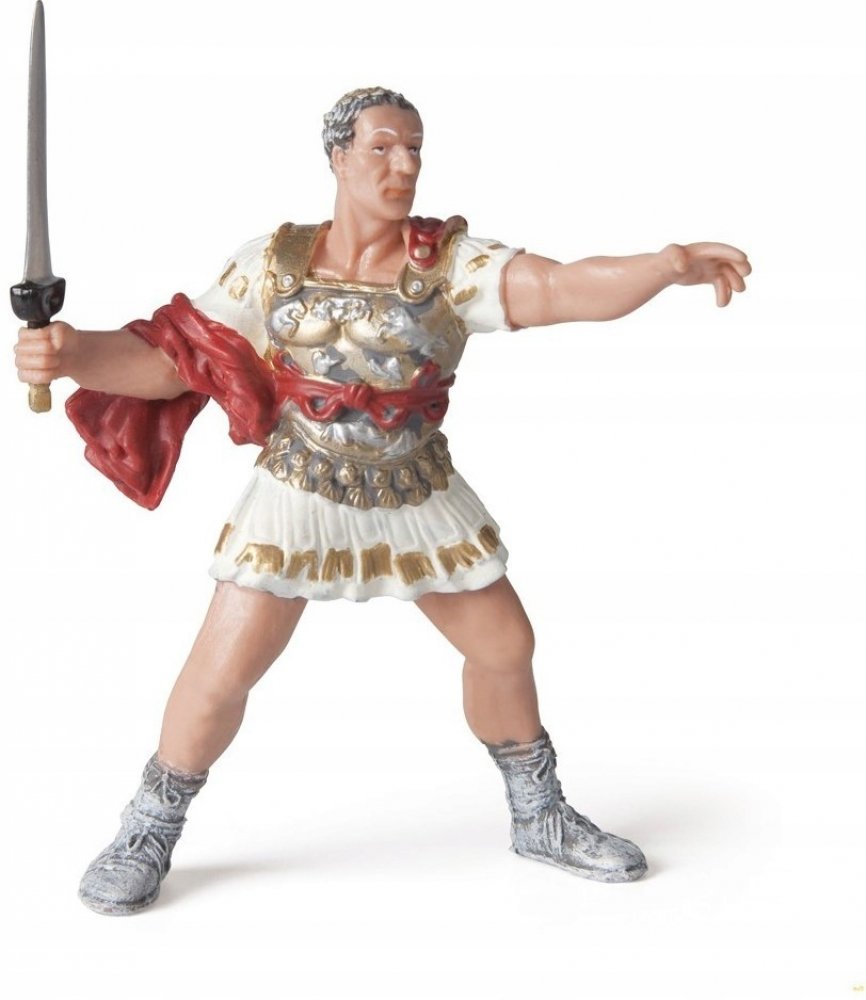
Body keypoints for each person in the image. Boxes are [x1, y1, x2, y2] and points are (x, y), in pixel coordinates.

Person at [14, 86, 751, 915]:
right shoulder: (272, 263)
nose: (403, 165)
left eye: (414, 149)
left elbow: (559, 288)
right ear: (338, 157)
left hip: (412, 486)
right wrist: (72, 354)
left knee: (505, 644)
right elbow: (172, 361)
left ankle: (539, 813)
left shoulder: (451, 265)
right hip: (298, 486)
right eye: (382, 148)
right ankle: (148, 828)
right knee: (219, 673)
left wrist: (663, 266)